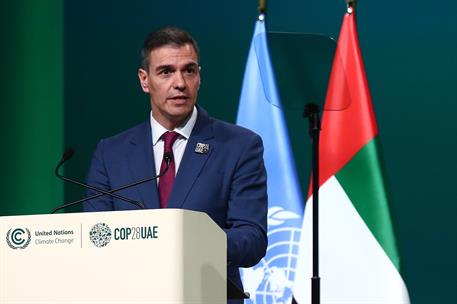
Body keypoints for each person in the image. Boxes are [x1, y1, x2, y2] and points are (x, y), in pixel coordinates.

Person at [83, 27, 267, 302]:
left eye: (189, 71)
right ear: (145, 80)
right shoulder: (111, 154)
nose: (180, 83)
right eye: (166, 71)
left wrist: (188, 241)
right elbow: (96, 236)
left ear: (199, 77)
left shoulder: (239, 146)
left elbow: (251, 239)